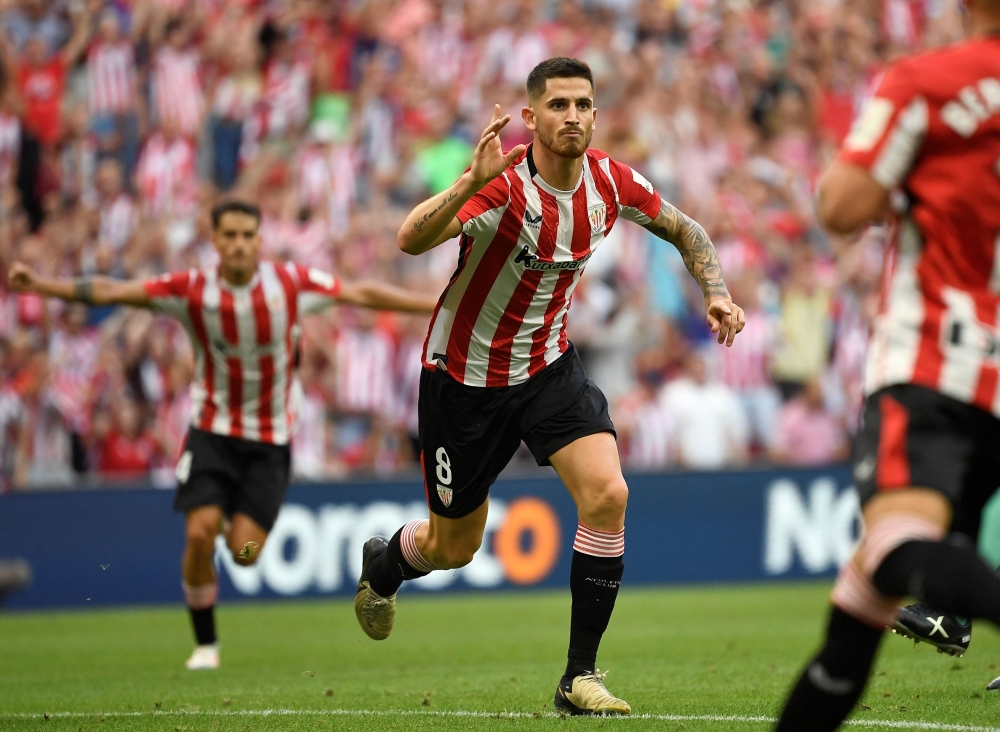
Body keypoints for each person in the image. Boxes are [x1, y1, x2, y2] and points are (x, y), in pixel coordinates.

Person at [353, 58, 745, 716]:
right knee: (455, 548)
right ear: (530, 119)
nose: (572, 117)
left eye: (583, 105)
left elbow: (686, 229)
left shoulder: (610, 182)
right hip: (464, 379)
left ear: (596, 114)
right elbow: (409, 239)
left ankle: (578, 677)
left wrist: (717, 291)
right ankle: (389, 562)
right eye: (558, 105)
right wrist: (464, 185)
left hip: (545, 366)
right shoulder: (503, 185)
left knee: (608, 493)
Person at [7, 199, 438, 670]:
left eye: (246, 235)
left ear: (259, 240)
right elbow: (113, 291)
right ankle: (206, 645)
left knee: (246, 553)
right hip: (212, 432)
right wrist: (42, 285)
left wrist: (432, 303)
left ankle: (242, 538)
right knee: (198, 532)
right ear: (214, 240)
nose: (237, 244)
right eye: (228, 235)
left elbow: (361, 294)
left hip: (269, 444)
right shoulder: (192, 290)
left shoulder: (289, 285)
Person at [775, 1, 1000, 728]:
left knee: (895, 549)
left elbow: (841, 205)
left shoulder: (927, 83)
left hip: (940, 357)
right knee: (858, 612)